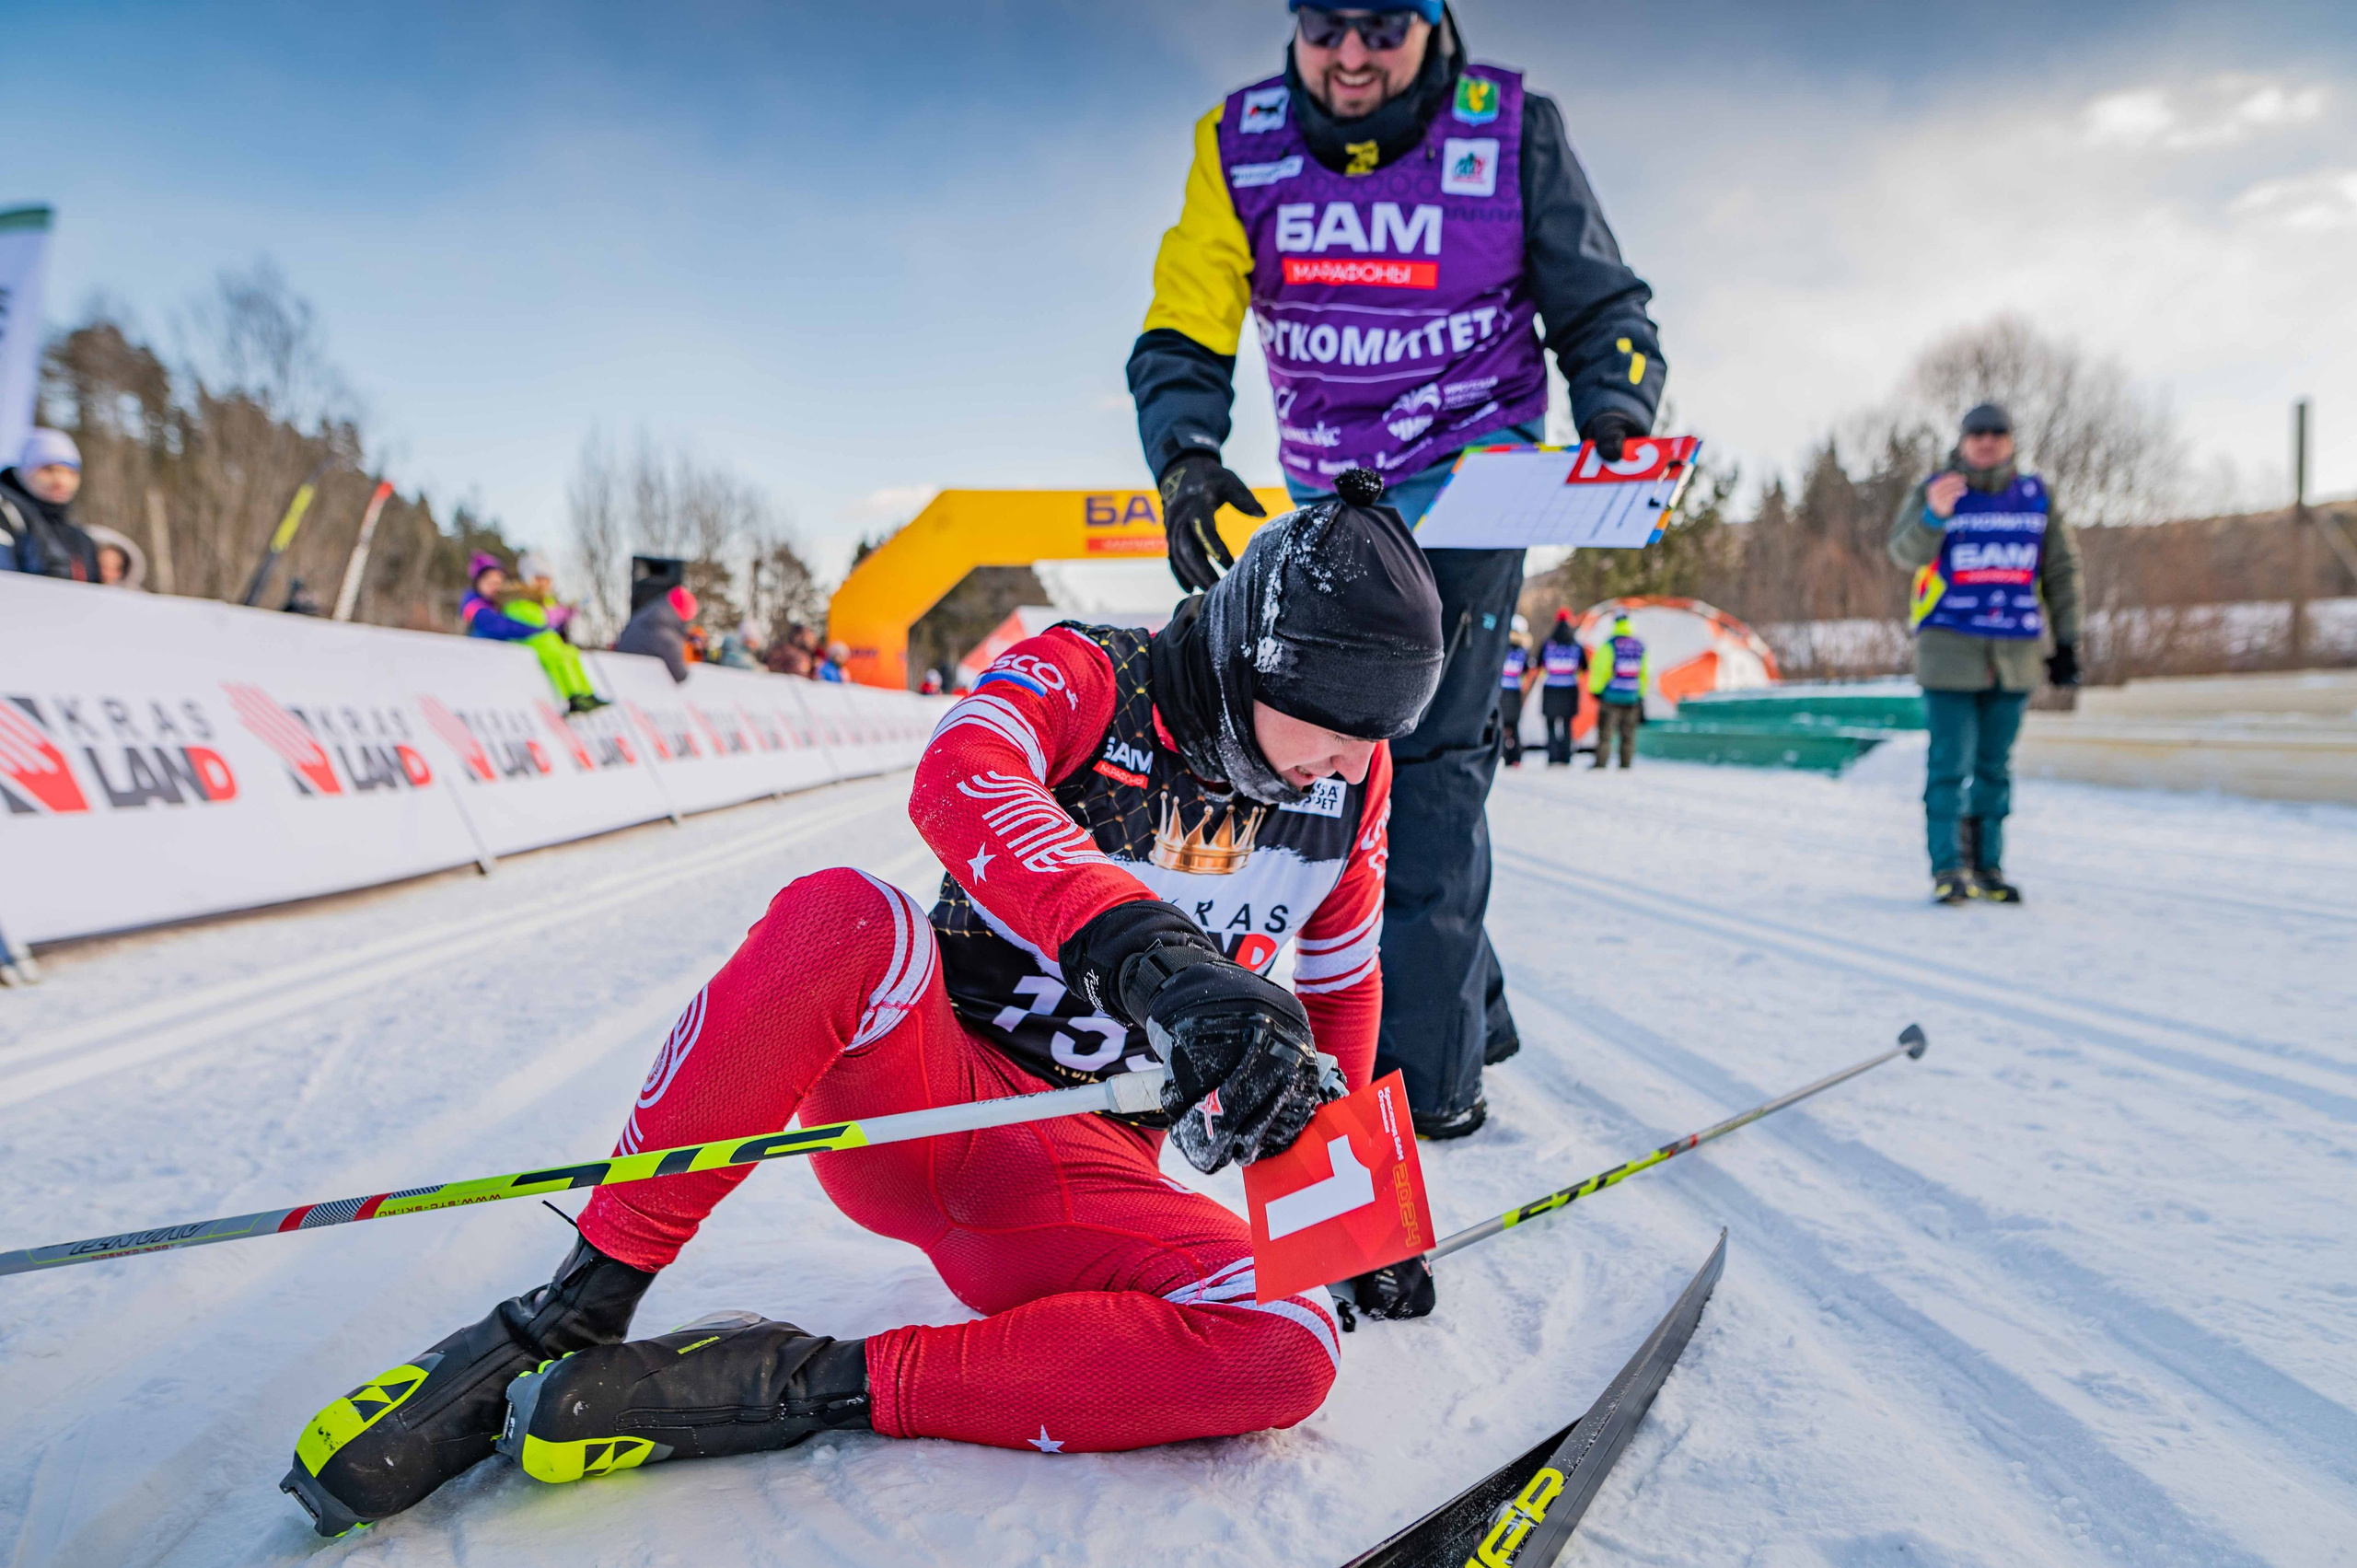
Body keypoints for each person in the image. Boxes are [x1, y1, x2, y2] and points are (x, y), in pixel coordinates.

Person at [281, 472, 1446, 1539]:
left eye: (1375, 738)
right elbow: (958, 775)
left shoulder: (1350, 784)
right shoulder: (1095, 674)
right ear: (1250, 661)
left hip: (1071, 1176)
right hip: (927, 1097)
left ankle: (791, 1379)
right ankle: (570, 1313)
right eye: (1337, 728)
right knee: (842, 914)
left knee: (1290, 1346)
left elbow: (1343, 981)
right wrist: (1151, 959)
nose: (1349, 763)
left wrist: (1352, 1216)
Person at [1128, 0, 1666, 1138]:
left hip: (1477, 477)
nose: (1353, 55)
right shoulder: (1243, 140)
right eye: (1327, 26)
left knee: (1419, 763)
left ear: (1434, 26)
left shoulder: (1510, 128)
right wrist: (1183, 454)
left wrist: (1616, 402)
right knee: (1309, 753)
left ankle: (1419, 1087)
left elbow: (1598, 295)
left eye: (1382, 25)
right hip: (1338, 498)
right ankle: (1472, 1008)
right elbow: (1186, 316)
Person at [1887, 402, 2084, 905]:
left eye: (1997, 432)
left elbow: (2061, 571)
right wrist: (1935, 514)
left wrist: (2067, 641)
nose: (1987, 441)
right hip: (1949, 651)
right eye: (1977, 433)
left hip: (2015, 655)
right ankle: (1948, 868)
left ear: (2011, 439)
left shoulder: (2036, 496)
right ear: (1963, 440)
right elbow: (1903, 554)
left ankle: (1987, 866)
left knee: (1995, 768)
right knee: (1949, 766)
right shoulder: (1938, 490)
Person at [504, 552, 609, 713]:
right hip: (527, 642)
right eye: (539, 579)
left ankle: (586, 693)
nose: (544, 584)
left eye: (547, 580)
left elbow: (554, 619)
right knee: (553, 648)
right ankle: (572, 696)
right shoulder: (517, 600)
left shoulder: (547, 601)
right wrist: (559, 613)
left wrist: (568, 613)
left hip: (545, 641)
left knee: (570, 652)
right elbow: (539, 620)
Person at [0, 429, 100, 581]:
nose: (61, 481)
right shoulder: (8, 515)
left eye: (71, 472)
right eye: (49, 470)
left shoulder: (80, 539)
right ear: (25, 471)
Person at [1586, 612, 1647, 769]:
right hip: (1632, 697)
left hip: (1611, 697)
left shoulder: (1610, 645)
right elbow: (1645, 673)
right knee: (1628, 734)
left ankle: (1601, 764)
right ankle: (1625, 764)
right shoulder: (1639, 645)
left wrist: (1596, 690)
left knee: (1605, 734)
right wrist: (1640, 694)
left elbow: (1601, 670)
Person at [616, 583, 697, 683]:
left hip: (621, 680)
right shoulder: (669, 638)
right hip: (640, 688)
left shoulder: (645, 615)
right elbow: (681, 675)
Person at [1536, 609, 1586, 765]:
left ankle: (1552, 756)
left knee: (1550, 724)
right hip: (1569, 689)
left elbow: (1539, 664)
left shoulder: (1548, 643)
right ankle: (1566, 757)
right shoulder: (1576, 644)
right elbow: (1584, 666)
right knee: (1567, 724)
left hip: (1551, 688)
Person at [1496, 616, 1535, 766]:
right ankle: (1515, 758)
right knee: (1514, 726)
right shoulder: (1523, 652)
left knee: (1499, 724)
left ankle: (1500, 754)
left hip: (1500, 692)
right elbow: (1527, 671)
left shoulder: (1500, 649)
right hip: (1514, 693)